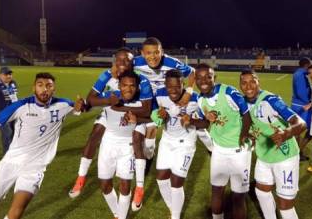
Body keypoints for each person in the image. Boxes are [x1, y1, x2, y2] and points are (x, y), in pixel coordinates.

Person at [130, 37, 213, 211]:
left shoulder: (171, 63)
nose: (153, 57)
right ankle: (146, 165)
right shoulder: (135, 62)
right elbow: (120, 72)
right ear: (142, 53)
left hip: (174, 95)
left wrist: (188, 92)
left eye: (156, 52)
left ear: (162, 51)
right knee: (148, 127)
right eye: (148, 53)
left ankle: (212, 148)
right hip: (154, 99)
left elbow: (192, 73)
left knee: (191, 121)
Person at [0, 72, 84, 219]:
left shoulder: (63, 105)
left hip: (35, 168)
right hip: (11, 162)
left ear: (54, 89)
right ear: (33, 88)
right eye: (40, 85)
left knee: (17, 210)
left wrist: (80, 105)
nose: (44, 89)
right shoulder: (22, 106)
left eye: (49, 86)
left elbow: (79, 107)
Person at [69, 48, 153, 198]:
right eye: (119, 60)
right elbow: (91, 99)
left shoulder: (141, 80)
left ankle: (139, 187)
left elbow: (147, 110)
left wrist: (119, 107)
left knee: (138, 142)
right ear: (115, 61)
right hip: (111, 113)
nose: (122, 63)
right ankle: (81, 177)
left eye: (127, 60)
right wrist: (109, 102)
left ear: (133, 63)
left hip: (134, 114)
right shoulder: (107, 75)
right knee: (95, 135)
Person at [240, 69, 306, 219]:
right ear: (240, 85)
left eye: (252, 81)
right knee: (261, 191)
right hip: (264, 156)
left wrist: (286, 133)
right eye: (244, 83)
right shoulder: (242, 103)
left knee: (285, 206)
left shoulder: (270, 100)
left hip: (285, 157)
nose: (248, 86)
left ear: (258, 82)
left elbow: (301, 124)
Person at [195, 63, 253, 219]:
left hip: (239, 152)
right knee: (216, 191)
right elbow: (205, 123)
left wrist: (244, 133)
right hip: (219, 151)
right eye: (199, 78)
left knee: (238, 197)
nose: (204, 81)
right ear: (195, 80)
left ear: (215, 78)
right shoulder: (200, 100)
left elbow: (246, 114)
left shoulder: (229, 92)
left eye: (208, 76)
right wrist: (190, 121)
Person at [151, 70, 209, 219]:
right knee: (161, 179)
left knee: (176, 182)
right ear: (165, 85)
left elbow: (206, 122)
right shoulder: (159, 95)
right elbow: (153, 115)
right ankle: (173, 209)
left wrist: (192, 121)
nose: (174, 90)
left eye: (177, 86)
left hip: (186, 143)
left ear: (183, 84)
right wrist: (160, 116)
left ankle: (175, 216)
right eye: (170, 87)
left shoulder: (196, 99)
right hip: (167, 140)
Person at [97, 70, 150, 219]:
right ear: (119, 85)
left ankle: (121, 216)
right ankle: (117, 213)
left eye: (132, 85)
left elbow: (154, 119)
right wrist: (81, 106)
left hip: (127, 146)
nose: (128, 89)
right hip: (108, 144)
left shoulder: (143, 103)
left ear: (137, 87)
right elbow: (91, 101)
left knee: (125, 186)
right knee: (105, 186)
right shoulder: (110, 97)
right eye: (125, 85)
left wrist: (138, 120)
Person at [291, 58, 312, 161]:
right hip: (303, 107)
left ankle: (297, 153)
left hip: (298, 105)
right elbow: (301, 92)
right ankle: (297, 153)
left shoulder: (298, 73)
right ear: (307, 65)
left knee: (298, 130)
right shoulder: (301, 74)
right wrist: (309, 101)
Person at [0, 66, 18, 153]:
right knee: (7, 133)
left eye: (10, 74)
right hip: (0, 114)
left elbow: (14, 97)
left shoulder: (13, 83)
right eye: (6, 74)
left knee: (14, 132)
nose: (9, 76)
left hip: (13, 112)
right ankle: (7, 154)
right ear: (0, 75)